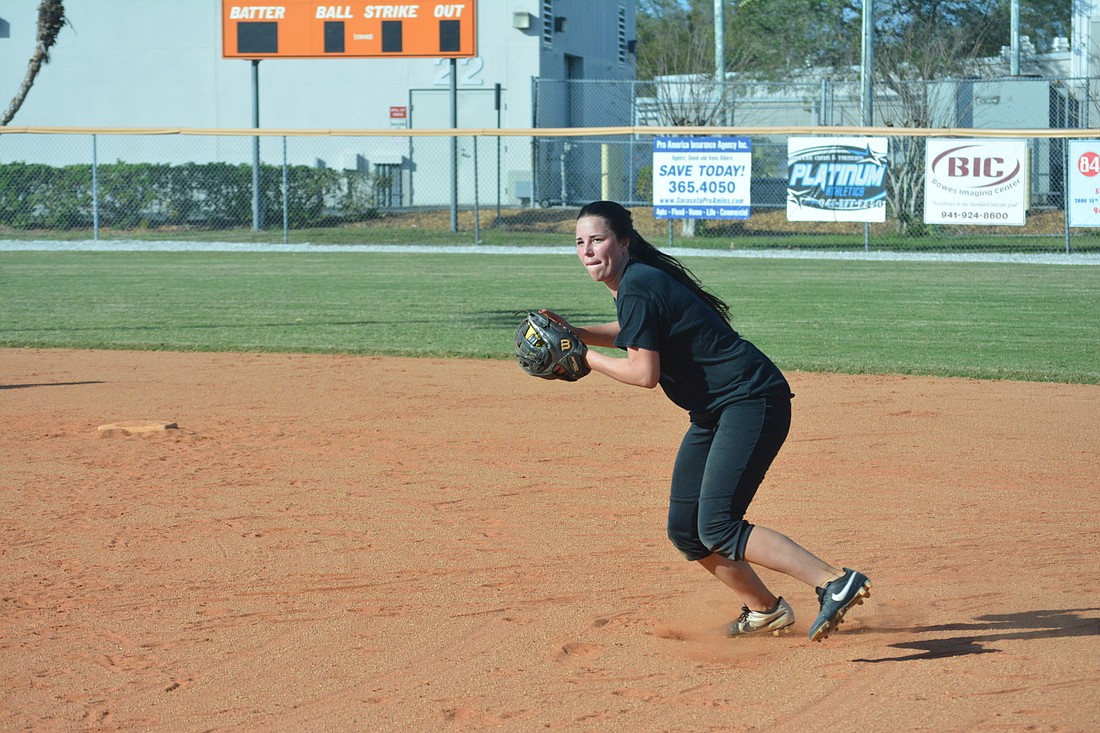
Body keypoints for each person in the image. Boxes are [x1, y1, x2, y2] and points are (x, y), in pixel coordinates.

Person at [545, 200, 871, 641]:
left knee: (717, 524)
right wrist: (578, 332)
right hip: (714, 411)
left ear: (623, 241)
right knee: (687, 531)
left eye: (597, 240)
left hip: (751, 400)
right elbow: (635, 329)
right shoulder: (634, 282)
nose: (587, 250)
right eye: (580, 242)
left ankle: (833, 579)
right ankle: (765, 611)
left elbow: (644, 374)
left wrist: (584, 356)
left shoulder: (638, 283)